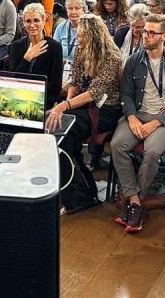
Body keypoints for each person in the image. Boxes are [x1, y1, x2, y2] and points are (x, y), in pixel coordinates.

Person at [111, 13, 165, 233]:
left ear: (164, 36)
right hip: (138, 115)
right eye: (144, 31)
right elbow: (126, 94)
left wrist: (156, 123)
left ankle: (134, 203)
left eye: (151, 32)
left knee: (152, 151)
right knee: (118, 145)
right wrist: (132, 117)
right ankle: (135, 201)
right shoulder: (134, 61)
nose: (145, 35)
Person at [48, 14, 123, 213]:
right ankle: (77, 191)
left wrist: (65, 107)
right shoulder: (82, 50)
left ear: (94, 36)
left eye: (82, 35)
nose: (78, 38)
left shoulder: (112, 57)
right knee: (60, 133)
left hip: (106, 110)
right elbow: (76, 82)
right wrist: (66, 103)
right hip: (83, 105)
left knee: (63, 135)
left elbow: (94, 92)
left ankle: (79, 193)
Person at [8, 3, 63, 109]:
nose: (32, 25)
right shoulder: (17, 46)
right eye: (28, 21)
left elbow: (55, 88)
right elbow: (13, 81)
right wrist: (27, 58)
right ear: (23, 23)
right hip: (17, 98)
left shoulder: (54, 47)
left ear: (44, 21)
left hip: (42, 103)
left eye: (36, 20)